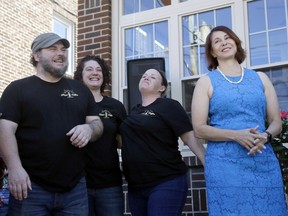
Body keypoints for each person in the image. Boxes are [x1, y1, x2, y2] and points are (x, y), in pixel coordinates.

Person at [0, 32, 104, 215]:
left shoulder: (80, 89)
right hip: (30, 187)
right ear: (36, 55)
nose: (61, 53)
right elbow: (5, 129)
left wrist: (89, 129)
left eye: (63, 49)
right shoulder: (18, 89)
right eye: (52, 48)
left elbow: (97, 123)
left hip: (75, 189)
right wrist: (15, 168)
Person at [191, 25, 288, 216]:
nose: (224, 42)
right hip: (225, 165)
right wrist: (236, 136)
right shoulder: (206, 82)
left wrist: (266, 136)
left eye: (227, 38)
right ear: (212, 52)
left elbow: (276, 121)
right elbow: (199, 129)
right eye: (217, 41)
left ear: (236, 42)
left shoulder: (260, 78)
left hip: (262, 159)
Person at [120, 68, 205, 216]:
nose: (146, 77)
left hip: (166, 181)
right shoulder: (134, 111)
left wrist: (209, 164)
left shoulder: (169, 106)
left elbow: (190, 138)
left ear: (162, 88)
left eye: (152, 77)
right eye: (144, 75)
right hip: (136, 187)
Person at [74, 55, 126, 216]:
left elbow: (123, 142)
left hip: (109, 183)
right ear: (80, 76)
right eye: (89, 69)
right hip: (77, 183)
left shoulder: (115, 106)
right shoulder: (72, 104)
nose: (95, 73)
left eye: (99, 69)